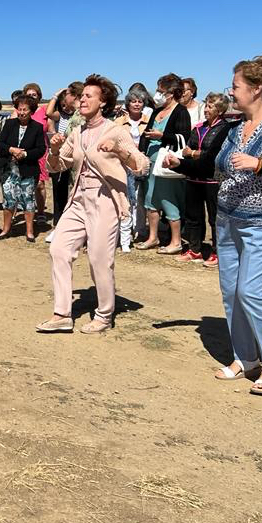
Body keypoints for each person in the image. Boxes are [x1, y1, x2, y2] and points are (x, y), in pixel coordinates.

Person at [191, 55, 262, 395]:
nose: (232, 92)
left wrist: (261, 164)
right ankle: (246, 358)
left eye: (236, 86)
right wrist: (179, 164)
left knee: (252, 293)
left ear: (257, 89)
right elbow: (212, 168)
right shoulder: (232, 127)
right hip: (226, 221)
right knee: (231, 294)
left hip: (260, 222)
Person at [36, 75, 149, 334]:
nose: (82, 99)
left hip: (105, 200)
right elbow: (58, 166)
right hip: (78, 199)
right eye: (82, 95)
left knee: (99, 259)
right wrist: (54, 150)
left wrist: (120, 151)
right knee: (59, 249)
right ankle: (62, 314)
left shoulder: (116, 130)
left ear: (103, 101)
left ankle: (104, 314)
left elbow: (141, 166)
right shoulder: (76, 132)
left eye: (89, 96)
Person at [171, 92, 233, 265]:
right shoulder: (198, 128)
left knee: (215, 218)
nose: (206, 109)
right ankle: (194, 249)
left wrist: (194, 153)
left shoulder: (225, 129)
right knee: (193, 216)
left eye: (210, 106)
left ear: (220, 110)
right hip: (193, 177)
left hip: (213, 180)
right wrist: (195, 154)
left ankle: (217, 252)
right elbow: (186, 150)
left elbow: (215, 155)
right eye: (206, 105)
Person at [136, 73, 191, 253]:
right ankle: (153, 237)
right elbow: (146, 134)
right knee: (151, 200)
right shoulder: (157, 111)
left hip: (166, 163)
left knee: (169, 199)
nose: (157, 94)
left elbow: (184, 137)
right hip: (150, 162)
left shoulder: (181, 112)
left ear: (171, 93)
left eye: (161, 91)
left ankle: (176, 241)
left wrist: (163, 136)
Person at [0, 93, 46, 241]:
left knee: (28, 200)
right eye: (20, 109)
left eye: (25, 110)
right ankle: (6, 229)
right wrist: (11, 149)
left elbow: (41, 149)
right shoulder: (10, 124)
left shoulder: (37, 127)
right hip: (9, 169)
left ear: (31, 111)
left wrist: (25, 154)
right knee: (9, 199)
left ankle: (29, 231)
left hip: (28, 170)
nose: (22, 113)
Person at [44, 82, 83, 241]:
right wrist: (55, 96)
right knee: (60, 192)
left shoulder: (80, 115)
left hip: (76, 161)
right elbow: (48, 113)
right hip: (62, 156)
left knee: (75, 195)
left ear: (74, 95)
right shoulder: (69, 115)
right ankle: (59, 225)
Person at [116, 88, 152, 252]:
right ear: (128, 104)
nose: (137, 104)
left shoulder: (149, 120)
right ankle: (125, 232)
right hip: (124, 164)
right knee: (127, 198)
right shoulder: (119, 122)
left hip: (143, 163)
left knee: (141, 198)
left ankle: (140, 230)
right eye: (133, 101)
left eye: (140, 101)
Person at [19, 83, 50, 222]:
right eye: (28, 94)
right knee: (23, 181)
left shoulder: (44, 111)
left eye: (34, 94)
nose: (31, 97)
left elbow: (52, 127)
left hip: (41, 150)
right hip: (24, 151)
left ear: (39, 96)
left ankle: (41, 211)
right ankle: (26, 209)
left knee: (40, 184)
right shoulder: (22, 111)